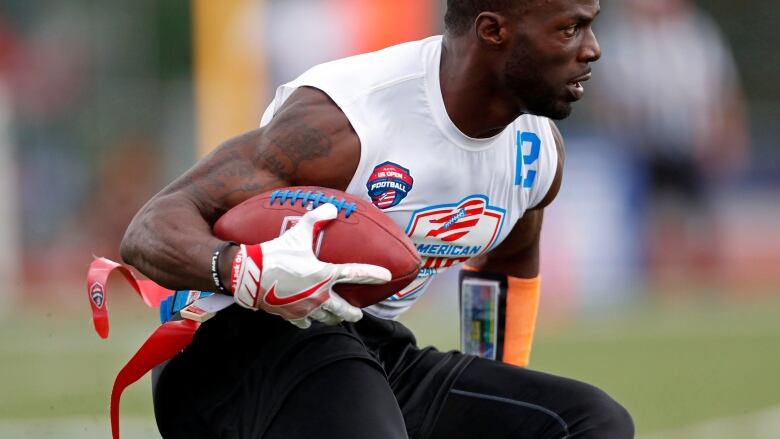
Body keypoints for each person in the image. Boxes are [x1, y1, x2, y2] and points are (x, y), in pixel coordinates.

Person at [121, 0, 634, 437]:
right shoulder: (348, 119)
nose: (592, 49)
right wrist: (243, 270)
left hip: (364, 342)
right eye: (570, 28)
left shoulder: (536, 151)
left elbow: (507, 259)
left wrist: (492, 381)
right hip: (234, 345)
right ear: (493, 30)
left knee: (591, 423)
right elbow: (151, 226)